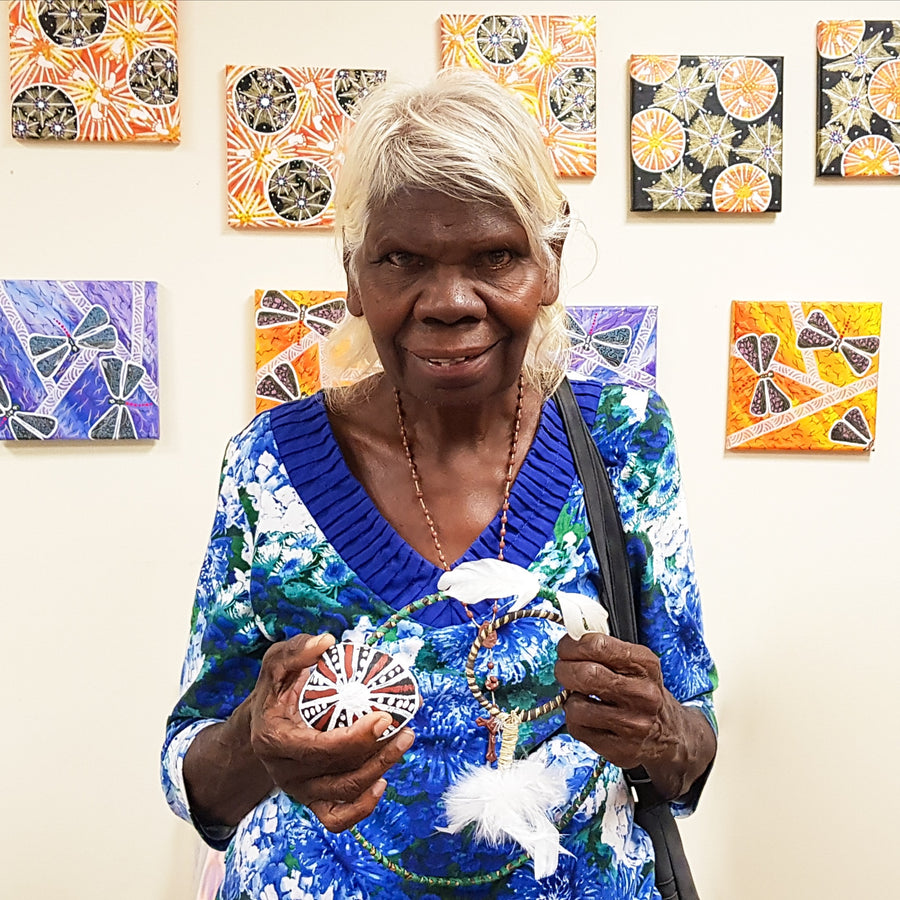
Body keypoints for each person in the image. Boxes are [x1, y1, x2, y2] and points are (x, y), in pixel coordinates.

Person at [161, 69, 717, 900]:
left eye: (495, 255)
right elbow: (189, 770)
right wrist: (255, 741)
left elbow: (693, 737)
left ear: (550, 263)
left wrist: (661, 732)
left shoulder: (626, 439)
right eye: (400, 260)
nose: (450, 302)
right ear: (353, 276)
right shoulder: (271, 467)